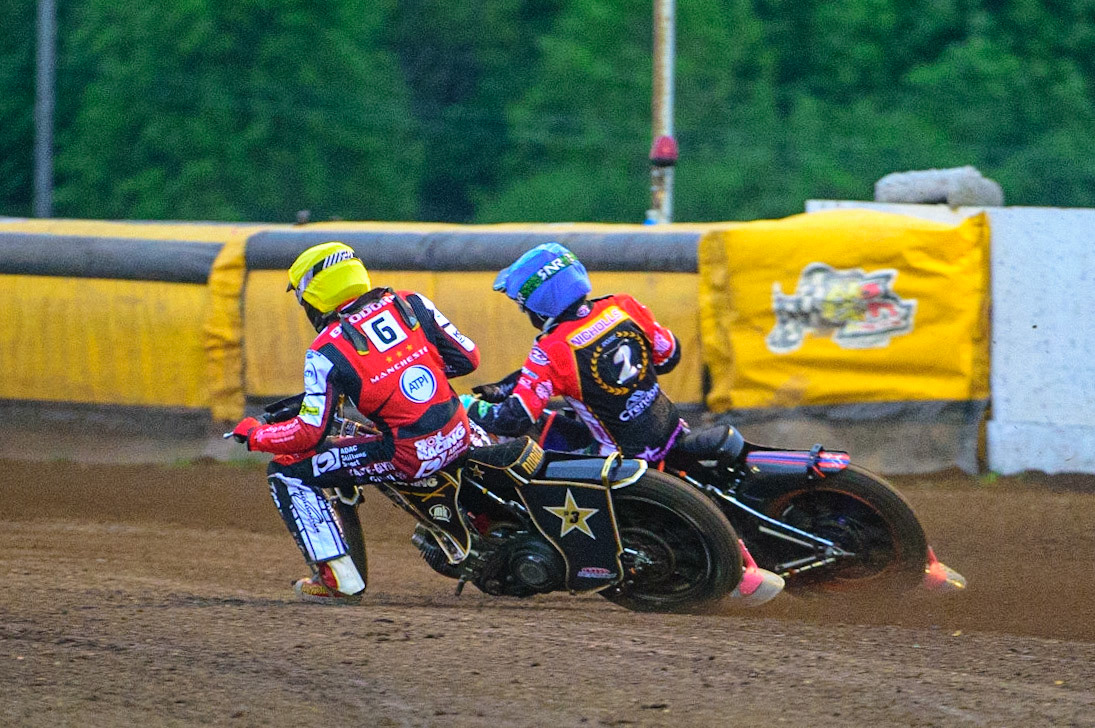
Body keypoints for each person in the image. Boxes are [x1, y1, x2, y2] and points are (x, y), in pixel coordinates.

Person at [229, 242, 480, 605]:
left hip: (409, 453)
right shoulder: (411, 302)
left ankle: (338, 581)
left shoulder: (325, 349)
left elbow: (309, 432)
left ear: (315, 295)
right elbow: (468, 358)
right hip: (459, 432)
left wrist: (256, 435)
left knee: (287, 471)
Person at [466, 242, 685, 462]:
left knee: (531, 451)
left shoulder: (550, 348)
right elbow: (669, 356)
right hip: (671, 430)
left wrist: (467, 406)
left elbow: (514, 419)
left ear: (539, 309)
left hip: (620, 459)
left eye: (525, 310)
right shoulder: (622, 305)